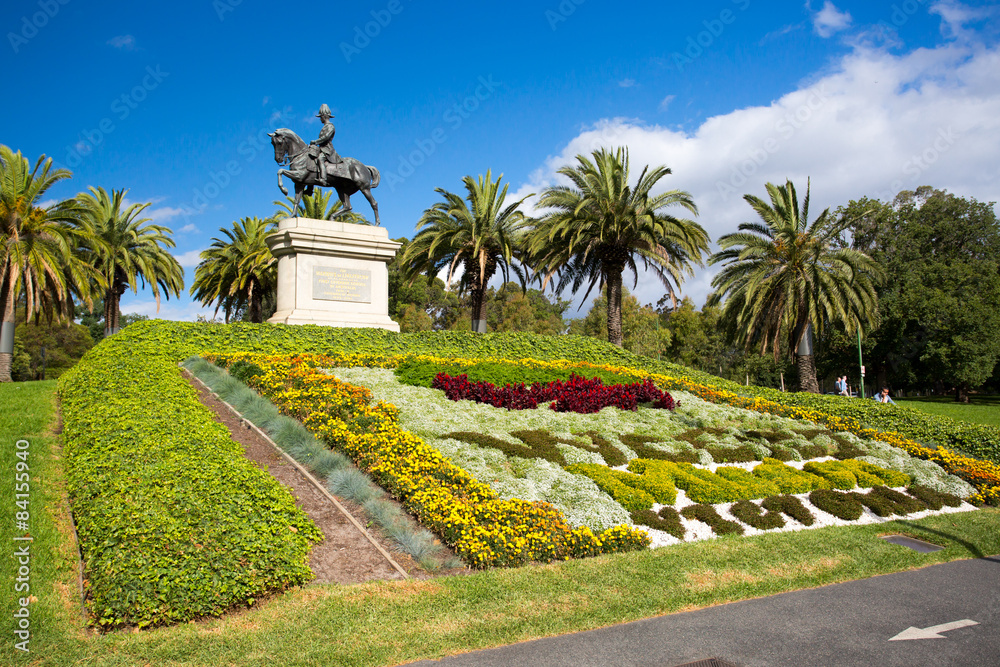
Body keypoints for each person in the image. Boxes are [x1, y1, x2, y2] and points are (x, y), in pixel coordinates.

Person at [309, 103, 341, 183]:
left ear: (324, 116)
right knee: (311, 161)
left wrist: (315, 141)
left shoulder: (330, 126)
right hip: (321, 148)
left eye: (320, 117)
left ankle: (323, 178)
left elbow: (326, 137)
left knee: (320, 159)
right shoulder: (325, 126)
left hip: (327, 149)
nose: (320, 119)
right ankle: (310, 187)